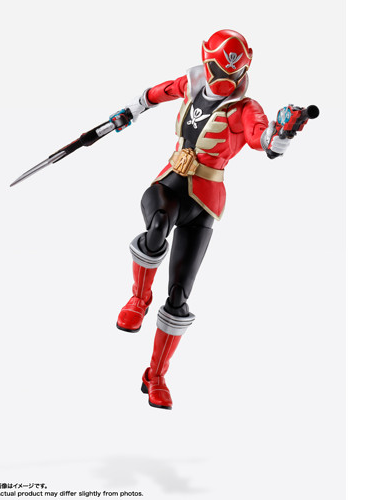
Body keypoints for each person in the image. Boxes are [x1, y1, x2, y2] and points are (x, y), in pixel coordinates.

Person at [116, 29, 298, 410]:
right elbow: (161, 92)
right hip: (170, 181)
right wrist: (132, 110)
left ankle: (156, 375)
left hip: (205, 200)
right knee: (157, 226)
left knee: (179, 296)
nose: (224, 78)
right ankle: (139, 298)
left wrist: (279, 137)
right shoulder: (193, 84)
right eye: (218, 68)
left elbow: (261, 137)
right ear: (207, 60)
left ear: (244, 69)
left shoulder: (244, 109)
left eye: (234, 72)